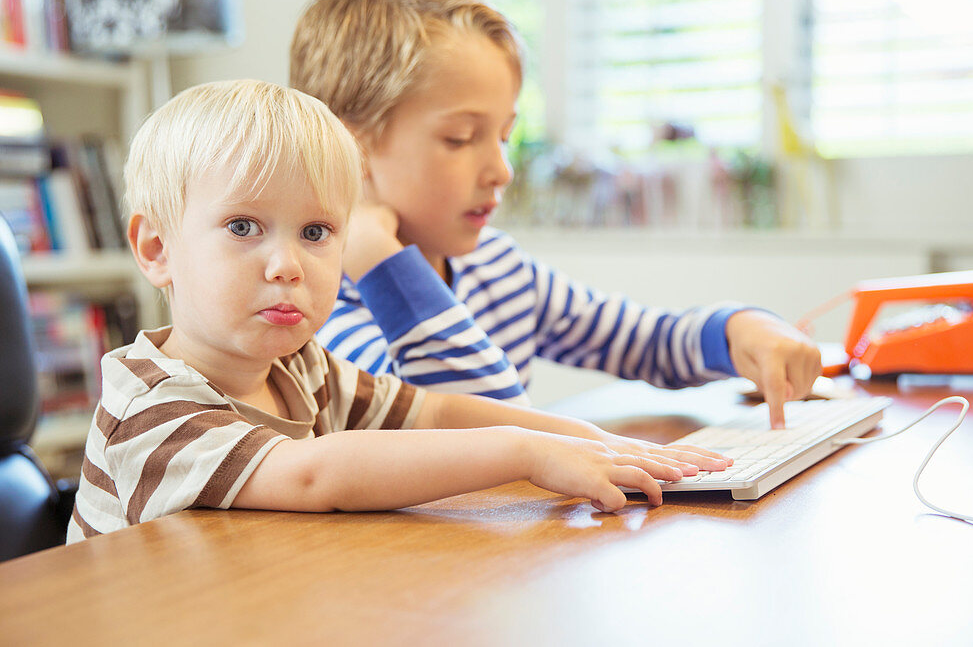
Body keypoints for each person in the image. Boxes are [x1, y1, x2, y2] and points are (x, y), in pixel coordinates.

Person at [67, 79, 733, 542]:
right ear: (156, 250)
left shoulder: (298, 364)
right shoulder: (149, 405)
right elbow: (312, 474)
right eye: (244, 227)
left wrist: (578, 436)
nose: (287, 264)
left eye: (317, 232)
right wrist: (525, 451)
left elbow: (431, 408)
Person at [290, 0, 821, 430]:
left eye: (503, 136)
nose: (502, 170)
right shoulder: (311, 306)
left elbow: (642, 340)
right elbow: (476, 420)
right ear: (351, 148)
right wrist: (373, 254)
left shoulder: (499, 268)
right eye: (460, 138)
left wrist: (740, 330)